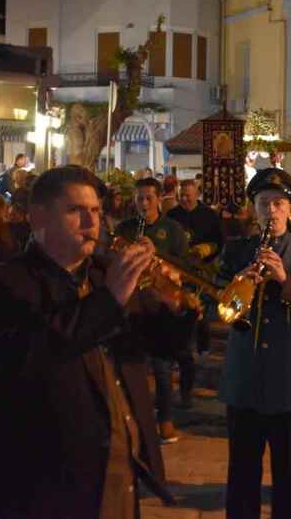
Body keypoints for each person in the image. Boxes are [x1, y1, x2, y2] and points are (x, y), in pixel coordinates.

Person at [0, 165, 175, 519]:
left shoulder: (106, 275)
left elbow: (156, 347)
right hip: (43, 489)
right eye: (77, 211)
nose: (93, 223)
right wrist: (111, 299)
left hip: (119, 476)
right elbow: (35, 351)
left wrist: (175, 309)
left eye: (96, 212)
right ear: (38, 216)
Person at [217, 168, 291, 519]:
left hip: (289, 381)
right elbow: (217, 308)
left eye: (279, 203)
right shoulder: (236, 251)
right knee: (242, 475)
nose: (272, 211)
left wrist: (283, 279)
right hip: (245, 377)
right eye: (264, 203)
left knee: (289, 477)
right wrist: (239, 286)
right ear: (254, 211)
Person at [116, 178, 196, 442]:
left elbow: (184, 264)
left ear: (159, 198)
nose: (144, 203)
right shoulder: (125, 229)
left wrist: (155, 257)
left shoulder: (172, 229)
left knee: (162, 367)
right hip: (132, 303)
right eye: (139, 198)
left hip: (161, 304)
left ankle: (165, 419)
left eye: (149, 198)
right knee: (129, 363)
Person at [167, 178, 224, 356]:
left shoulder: (209, 215)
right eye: (181, 196)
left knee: (201, 309)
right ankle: (180, 346)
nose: (184, 199)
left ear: (197, 195)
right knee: (179, 307)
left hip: (203, 269)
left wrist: (207, 251)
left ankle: (203, 345)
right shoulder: (172, 215)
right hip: (179, 269)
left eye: (188, 196)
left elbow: (220, 241)